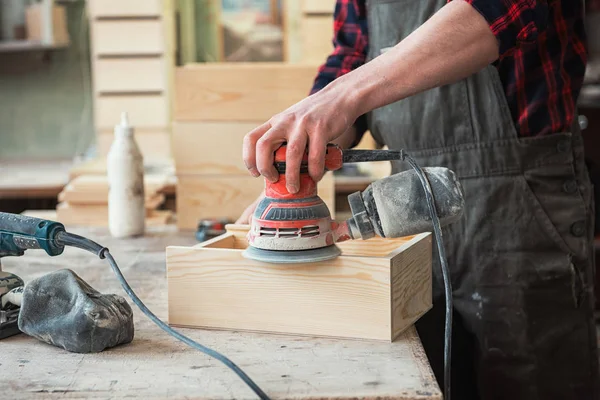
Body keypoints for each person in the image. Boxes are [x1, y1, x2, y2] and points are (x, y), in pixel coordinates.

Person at [238, 0, 600, 399]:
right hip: (406, 205)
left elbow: (503, 8)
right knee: (423, 378)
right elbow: (352, 54)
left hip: (520, 202)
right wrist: (297, 165)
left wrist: (341, 96)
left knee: (528, 380)